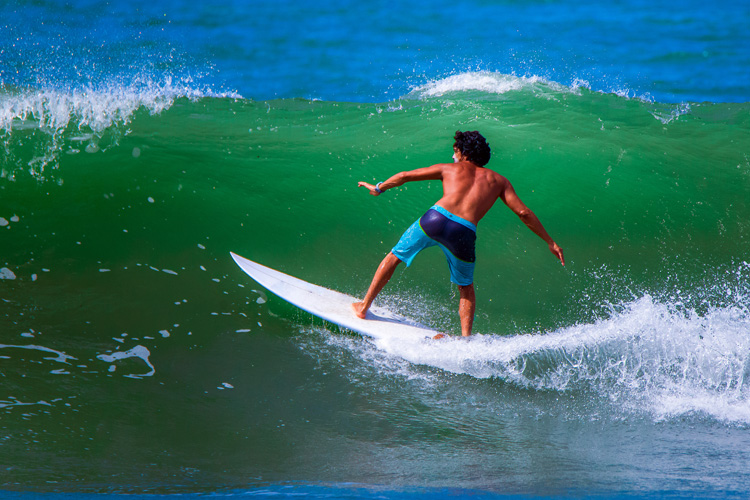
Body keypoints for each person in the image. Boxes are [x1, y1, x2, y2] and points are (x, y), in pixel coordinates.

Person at [352, 130, 565, 337]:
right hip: (464, 231)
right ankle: (465, 339)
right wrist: (550, 241)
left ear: (465, 153)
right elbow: (523, 212)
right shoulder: (499, 181)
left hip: (434, 219)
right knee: (466, 288)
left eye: (455, 152)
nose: (452, 156)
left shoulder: (448, 169)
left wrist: (379, 187)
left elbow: (405, 176)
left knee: (394, 257)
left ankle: (364, 306)